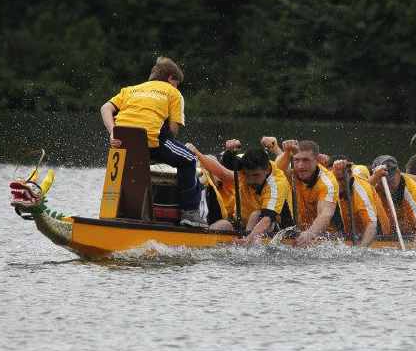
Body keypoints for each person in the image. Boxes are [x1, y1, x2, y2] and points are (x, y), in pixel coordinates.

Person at [100, 56, 204, 227]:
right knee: (189, 159)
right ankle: (190, 214)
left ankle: (113, 212)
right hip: (152, 143)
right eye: (177, 83)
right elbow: (173, 130)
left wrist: (113, 132)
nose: (177, 87)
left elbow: (105, 108)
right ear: (170, 78)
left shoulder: (130, 90)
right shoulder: (174, 93)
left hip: (120, 143)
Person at [187, 143, 292, 243]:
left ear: (267, 170)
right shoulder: (243, 168)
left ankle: (247, 245)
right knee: (222, 225)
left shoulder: (277, 183)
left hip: (276, 228)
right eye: (247, 175)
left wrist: (248, 239)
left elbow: (267, 220)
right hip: (243, 224)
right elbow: (222, 173)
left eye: (256, 175)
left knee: (255, 215)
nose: (250, 180)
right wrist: (197, 153)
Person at [276, 139, 339, 246]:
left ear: (317, 160)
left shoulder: (327, 182)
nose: (300, 166)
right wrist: (287, 152)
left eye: (306, 160)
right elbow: (278, 169)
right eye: (296, 160)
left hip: (328, 237)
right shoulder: (293, 172)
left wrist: (310, 233)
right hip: (301, 231)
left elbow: (325, 213)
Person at [370, 155, 416, 250]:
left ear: (398, 173)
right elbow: (363, 189)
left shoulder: (412, 190)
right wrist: (374, 178)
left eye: (391, 180)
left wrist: (415, 252)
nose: (388, 186)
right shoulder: (374, 184)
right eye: (384, 182)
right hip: (394, 232)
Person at [330, 157, 390, 246]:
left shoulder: (361, 189)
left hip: (377, 234)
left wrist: (361, 250)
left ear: (349, 177)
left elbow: (371, 225)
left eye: (341, 179)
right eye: (336, 179)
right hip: (352, 234)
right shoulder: (331, 185)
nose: (338, 183)